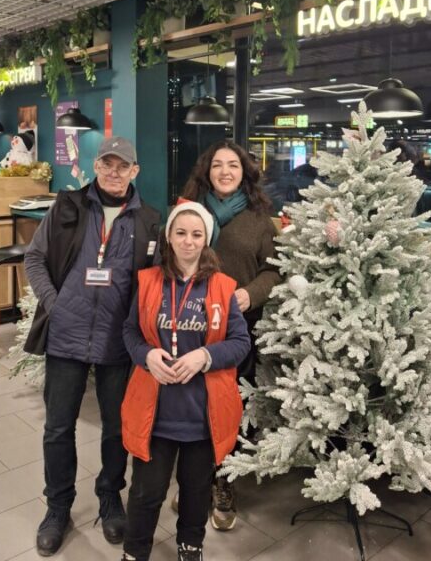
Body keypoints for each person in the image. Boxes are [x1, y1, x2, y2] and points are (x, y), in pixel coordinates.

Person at [23, 136, 161, 556]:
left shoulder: (149, 220)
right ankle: (58, 506)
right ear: (96, 167)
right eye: (107, 164)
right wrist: (55, 304)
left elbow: (153, 282)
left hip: (118, 342)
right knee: (58, 427)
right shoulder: (68, 206)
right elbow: (35, 258)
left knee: (116, 428)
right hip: (67, 336)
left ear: (135, 171)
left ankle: (109, 496)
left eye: (123, 166)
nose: (114, 173)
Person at [120, 202, 250, 561]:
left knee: (195, 492)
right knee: (146, 492)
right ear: (169, 237)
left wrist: (204, 357)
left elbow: (240, 343)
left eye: (196, 234)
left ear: (206, 240)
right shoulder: (149, 281)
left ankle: (190, 547)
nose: (188, 241)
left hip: (202, 416)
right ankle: (135, 551)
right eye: (180, 233)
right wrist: (146, 355)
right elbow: (130, 332)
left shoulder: (222, 287)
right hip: (156, 415)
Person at [181, 140, 281, 531]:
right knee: (192, 405)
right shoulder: (189, 210)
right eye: (218, 165)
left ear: (244, 173)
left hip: (238, 330)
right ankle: (193, 481)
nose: (225, 171)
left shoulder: (259, 219)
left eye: (233, 165)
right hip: (190, 326)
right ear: (207, 171)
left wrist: (250, 294)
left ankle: (225, 480)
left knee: (231, 408)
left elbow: (274, 270)